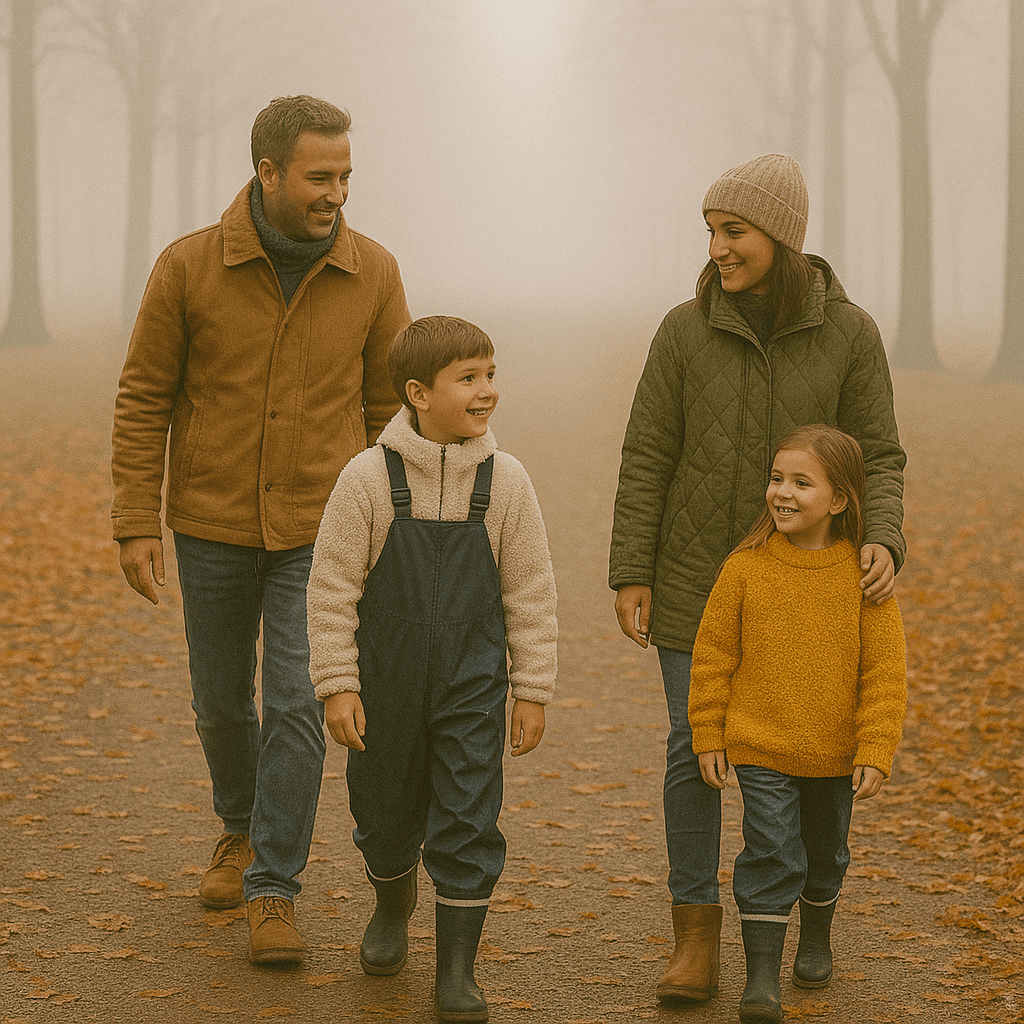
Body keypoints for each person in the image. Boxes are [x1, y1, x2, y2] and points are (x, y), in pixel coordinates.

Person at [111, 95, 410, 964]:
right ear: (267, 172)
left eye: (346, 175)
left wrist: (388, 525)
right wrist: (137, 519)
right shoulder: (188, 268)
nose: (337, 193)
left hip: (321, 527)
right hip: (208, 521)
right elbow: (143, 397)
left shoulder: (375, 272)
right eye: (321, 176)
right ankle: (237, 830)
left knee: (296, 701)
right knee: (218, 702)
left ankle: (272, 885)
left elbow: (391, 407)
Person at [608, 153, 906, 1004]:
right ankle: (694, 938)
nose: (718, 247)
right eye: (711, 231)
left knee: (811, 757)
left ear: (780, 235)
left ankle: (810, 912)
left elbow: (879, 453)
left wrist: (880, 536)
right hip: (698, 574)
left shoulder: (850, 335)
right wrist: (634, 567)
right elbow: (649, 451)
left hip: (811, 586)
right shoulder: (683, 329)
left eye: (733, 231)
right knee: (690, 745)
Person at [306, 315, 557, 1022]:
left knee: (469, 814)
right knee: (382, 812)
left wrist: (532, 689)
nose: (487, 392)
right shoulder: (368, 479)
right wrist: (338, 684)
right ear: (418, 392)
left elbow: (531, 591)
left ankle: (456, 972)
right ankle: (392, 902)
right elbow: (331, 588)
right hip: (383, 683)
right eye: (468, 378)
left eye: (491, 374)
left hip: (473, 685)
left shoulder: (506, 484)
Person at [689, 424, 906, 1022]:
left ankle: (814, 937)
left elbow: (885, 675)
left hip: (835, 751)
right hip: (761, 745)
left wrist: (876, 745)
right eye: (776, 478)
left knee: (825, 852)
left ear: (839, 499)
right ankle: (761, 980)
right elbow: (712, 659)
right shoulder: (745, 570)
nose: (782, 492)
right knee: (770, 849)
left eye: (801, 483)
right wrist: (708, 732)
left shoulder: (865, 581)